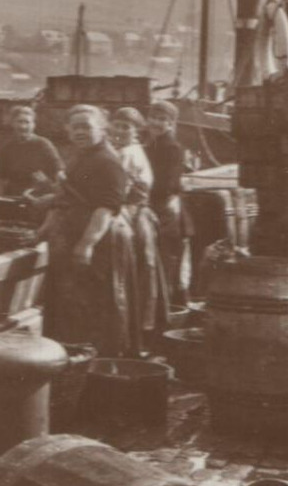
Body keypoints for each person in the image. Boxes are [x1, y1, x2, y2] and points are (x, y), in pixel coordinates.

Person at [39, 105, 132, 356]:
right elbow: (63, 200)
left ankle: (100, 360)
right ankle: (76, 355)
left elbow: (107, 207)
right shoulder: (79, 156)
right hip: (71, 235)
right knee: (73, 302)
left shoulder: (107, 161)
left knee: (97, 303)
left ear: (101, 129)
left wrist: (86, 244)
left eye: (86, 126)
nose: (80, 132)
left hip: (97, 242)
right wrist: (44, 231)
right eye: (75, 127)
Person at [110, 106, 170, 349]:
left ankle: (139, 330)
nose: (121, 131)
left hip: (133, 213)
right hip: (127, 208)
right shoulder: (118, 150)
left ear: (136, 131)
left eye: (127, 127)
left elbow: (119, 190)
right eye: (118, 125)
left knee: (137, 270)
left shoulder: (130, 153)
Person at [143, 99, 189, 307]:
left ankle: (165, 309)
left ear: (171, 124)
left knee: (163, 260)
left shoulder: (172, 148)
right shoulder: (150, 145)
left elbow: (167, 185)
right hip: (156, 207)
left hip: (163, 211)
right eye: (154, 117)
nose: (157, 123)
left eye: (163, 119)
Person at [0, 103, 64, 211]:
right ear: (13, 124)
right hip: (15, 198)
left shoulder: (43, 145)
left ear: (33, 125)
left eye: (27, 122)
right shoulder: (7, 148)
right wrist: (0, 199)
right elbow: (0, 177)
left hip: (39, 198)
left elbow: (59, 172)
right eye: (19, 122)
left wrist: (49, 186)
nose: (23, 126)